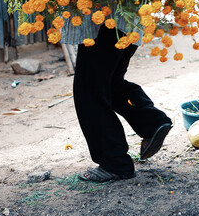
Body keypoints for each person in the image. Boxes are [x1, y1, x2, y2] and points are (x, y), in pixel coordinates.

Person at [61, 15, 173, 183]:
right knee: (109, 82)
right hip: (126, 16)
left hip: (105, 17)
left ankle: (114, 163)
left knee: (89, 89)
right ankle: (152, 123)